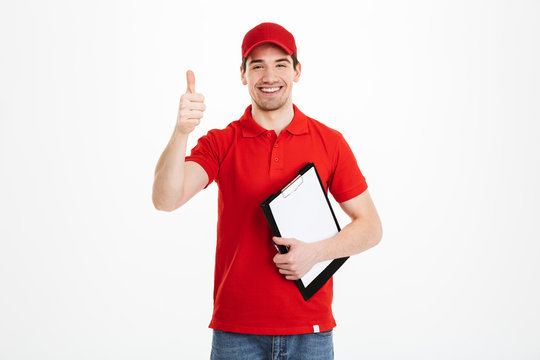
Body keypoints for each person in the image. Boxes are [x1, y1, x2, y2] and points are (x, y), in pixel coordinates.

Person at [152, 22, 382, 360]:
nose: (269, 76)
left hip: (311, 332)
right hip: (237, 332)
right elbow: (165, 199)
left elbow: (371, 227)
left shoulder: (330, 142)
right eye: (257, 65)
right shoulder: (222, 142)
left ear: (297, 71)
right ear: (243, 75)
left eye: (280, 64)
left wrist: (316, 252)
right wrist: (181, 132)